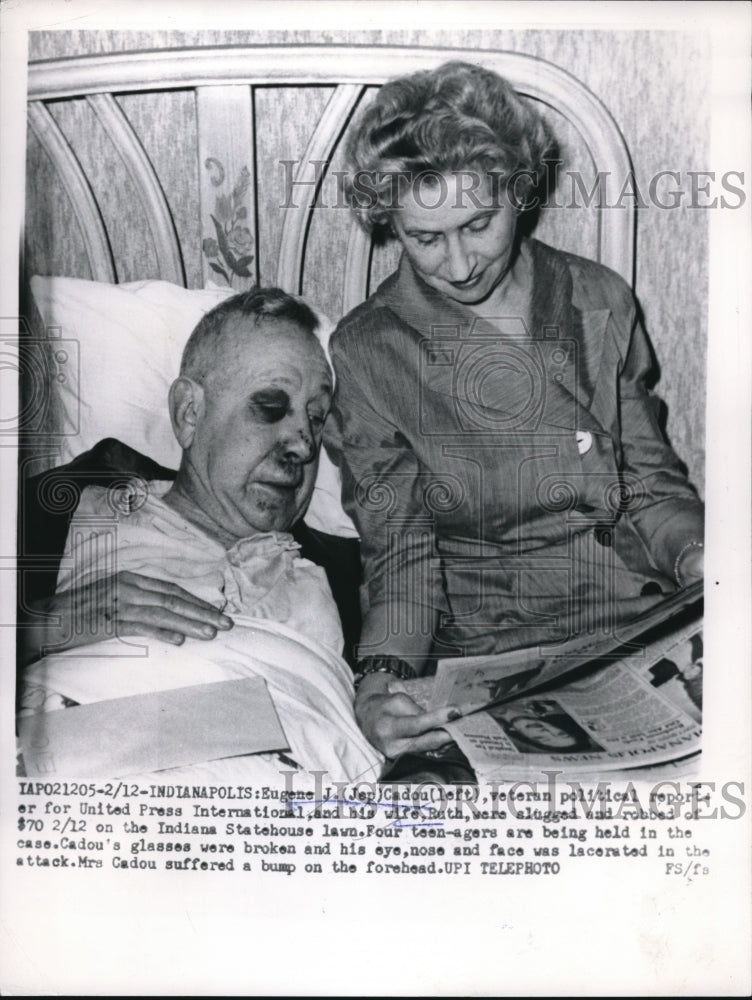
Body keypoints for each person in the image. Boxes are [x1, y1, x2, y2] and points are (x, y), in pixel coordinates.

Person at [325, 61, 705, 760]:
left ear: (518, 193)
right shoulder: (368, 350)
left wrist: (700, 558)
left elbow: (651, 485)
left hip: (636, 617)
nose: (461, 263)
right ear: (391, 225)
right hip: (498, 650)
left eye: (478, 223)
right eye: (424, 237)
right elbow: (401, 555)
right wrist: (380, 682)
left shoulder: (598, 299)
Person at [20, 288, 413, 782]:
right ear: (188, 412)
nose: (303, 443)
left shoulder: (355, 573)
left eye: (315, 417)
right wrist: (42, 625)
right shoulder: (62, 506)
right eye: (269, 406)